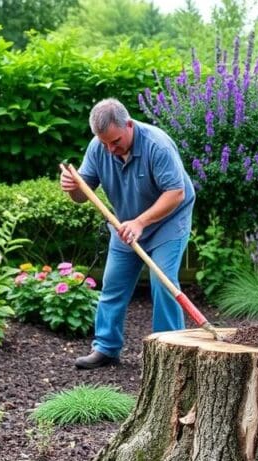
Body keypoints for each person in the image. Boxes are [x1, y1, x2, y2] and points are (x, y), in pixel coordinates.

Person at [61, 98, 195, 369]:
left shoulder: (157, 145)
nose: (110, 149)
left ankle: (170, 352)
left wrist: (141, 222)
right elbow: (82, 193)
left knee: (163, 282)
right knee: (113, 284)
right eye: (104, 143)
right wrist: (72, 187)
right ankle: (106, 348)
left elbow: (176, 193)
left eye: (116, 141)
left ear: (130, 125)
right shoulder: (99, 147)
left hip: (167, 222)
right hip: (125, 225)